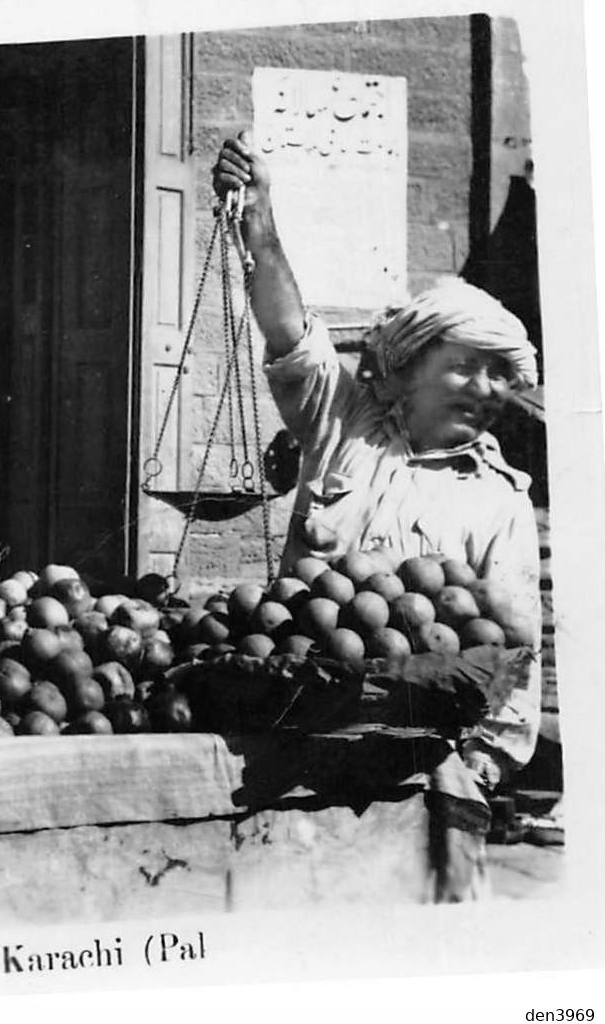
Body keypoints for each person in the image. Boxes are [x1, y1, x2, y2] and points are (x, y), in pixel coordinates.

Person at [212, 133, 543, 792]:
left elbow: (514, 649)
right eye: (463, 369)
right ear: (409, 367)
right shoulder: (344, 422)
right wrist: (257, 217)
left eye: (497, 376)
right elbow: (288, 333)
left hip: (414, 760)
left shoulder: (498, 501)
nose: (484, 390)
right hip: (290, 737)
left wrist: (482, 761)